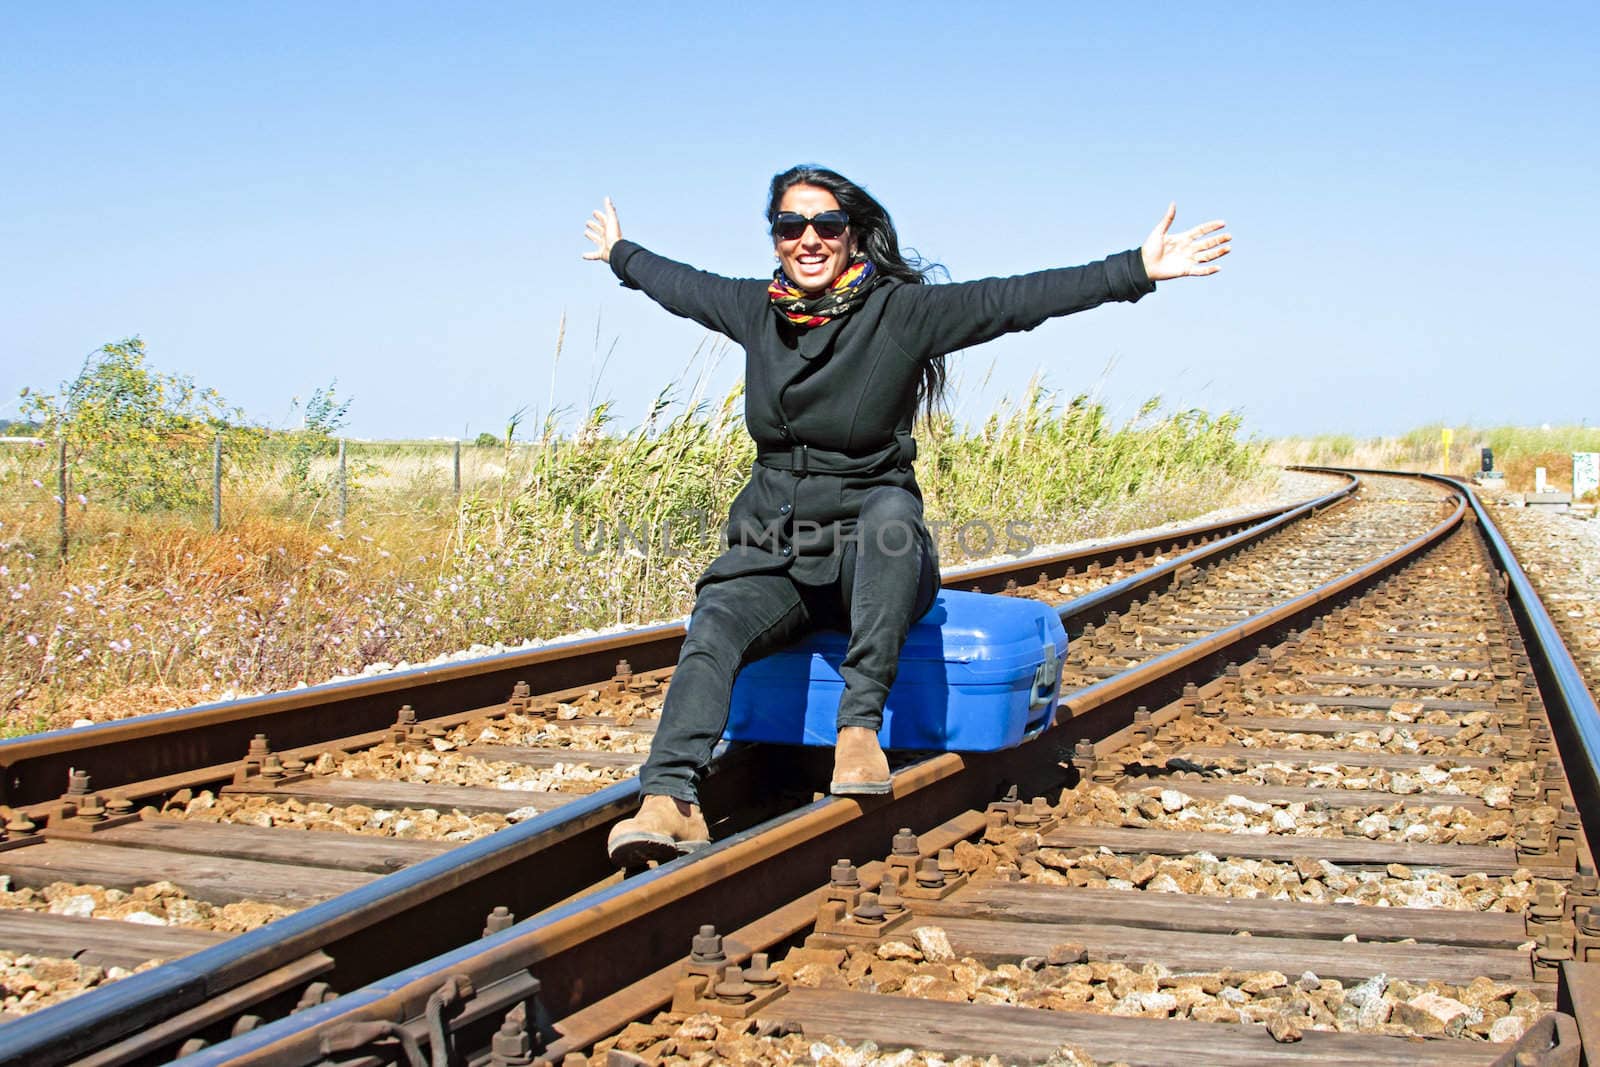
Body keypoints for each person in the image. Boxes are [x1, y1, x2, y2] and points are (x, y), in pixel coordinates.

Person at [584, 164, 1229, 866]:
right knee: (716, 616)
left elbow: (1012, 299)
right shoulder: (755, 310)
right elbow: (682, 286)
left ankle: (858, 730)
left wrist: (1134, 268)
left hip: (880, 556)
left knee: (889, 512)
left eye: (826, 225)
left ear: (852, 237)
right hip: (779, 553)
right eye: (790, 225)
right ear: (774, 238)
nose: (808, 239)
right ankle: (671, 798)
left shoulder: (899, 313)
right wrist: (622, 254)